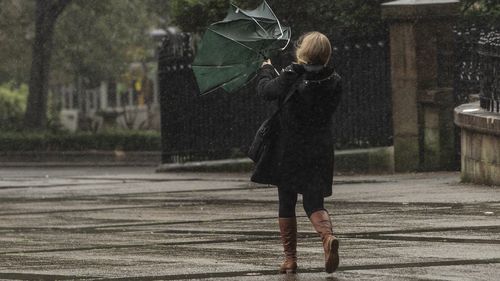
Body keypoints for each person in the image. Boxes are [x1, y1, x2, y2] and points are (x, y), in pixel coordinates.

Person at [252, 31, 342, 274]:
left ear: (303, 52)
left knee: (287, 201)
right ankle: (326, 237)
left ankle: (290, 259)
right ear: (325, 54)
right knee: (314, 201)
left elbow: (266, 91)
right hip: (319, 149)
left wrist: (267, 68)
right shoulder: (333, 79)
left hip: (290, 149)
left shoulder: (293, 75)